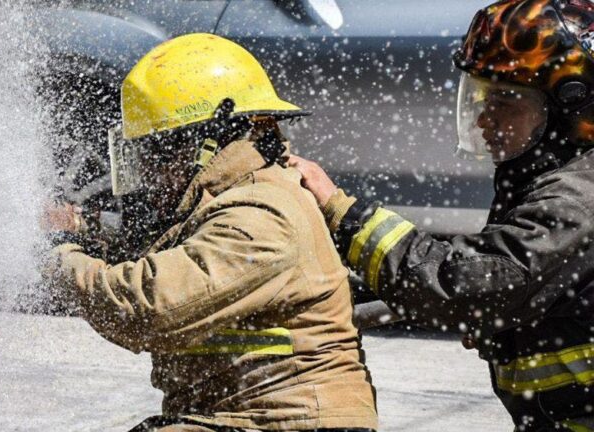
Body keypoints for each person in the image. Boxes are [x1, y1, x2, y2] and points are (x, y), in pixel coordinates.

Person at [42, 33, 378, 432]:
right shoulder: (232, 195)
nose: (147, 173)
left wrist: (60, 251)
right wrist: (84, 226)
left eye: (153, 153)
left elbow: (146, 307)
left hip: (288, 421)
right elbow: (169, 243)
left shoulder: (261, 214)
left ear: (205, 144)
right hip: (246, 417)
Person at [289, 0, 594, 430]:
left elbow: (460, 284)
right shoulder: (551, 175)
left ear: (571, 107)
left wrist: (344, 213)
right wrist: (508, 328)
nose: (485, 119)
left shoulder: (574, 202)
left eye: (505, 100)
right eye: (482, 96)